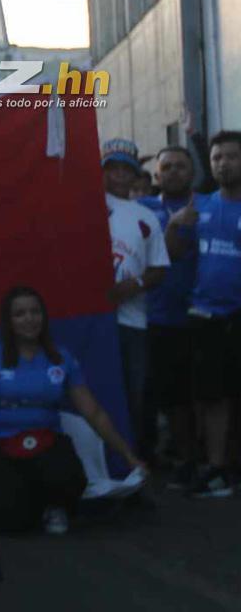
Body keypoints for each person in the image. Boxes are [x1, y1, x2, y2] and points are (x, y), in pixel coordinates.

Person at [0, 286, 145, 536]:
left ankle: (54, 505)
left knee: (68, 477)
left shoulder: (60, 358)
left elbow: (94, 412)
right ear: (8, 321)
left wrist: (129, 456)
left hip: (46, 441)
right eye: (20, 314)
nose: (29, 319)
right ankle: (28, 504)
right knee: (10, 522)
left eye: (35, 312)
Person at [167, 130, 241, 498]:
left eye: (231, 156)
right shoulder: (203, 206)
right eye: (217, 158)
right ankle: (216, 468)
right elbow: (176, 253)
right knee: (211, 397)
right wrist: (175, 224)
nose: (224, 163)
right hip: (206, 317)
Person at [102, 137, 168, 457]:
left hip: (132, 320)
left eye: (124, 169)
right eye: (110, 168)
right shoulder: (85, 206)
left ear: (135, 175)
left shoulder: (146, 216)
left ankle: (133, 464)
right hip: (93, 316)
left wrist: (136, 284)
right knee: (96, 393)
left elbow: (159, 269)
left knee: (134, 396)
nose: (117, 175)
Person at [137, 146, 198, 487]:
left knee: (199, 396)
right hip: (155, 318)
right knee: (162, 395)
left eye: (181, 166)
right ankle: (160, 455)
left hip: (200, 317)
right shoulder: (143, 209)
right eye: (167, 167)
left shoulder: (206, 207)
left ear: (192, 172)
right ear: (157, 175)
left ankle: (196, 456)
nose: (174, 172)